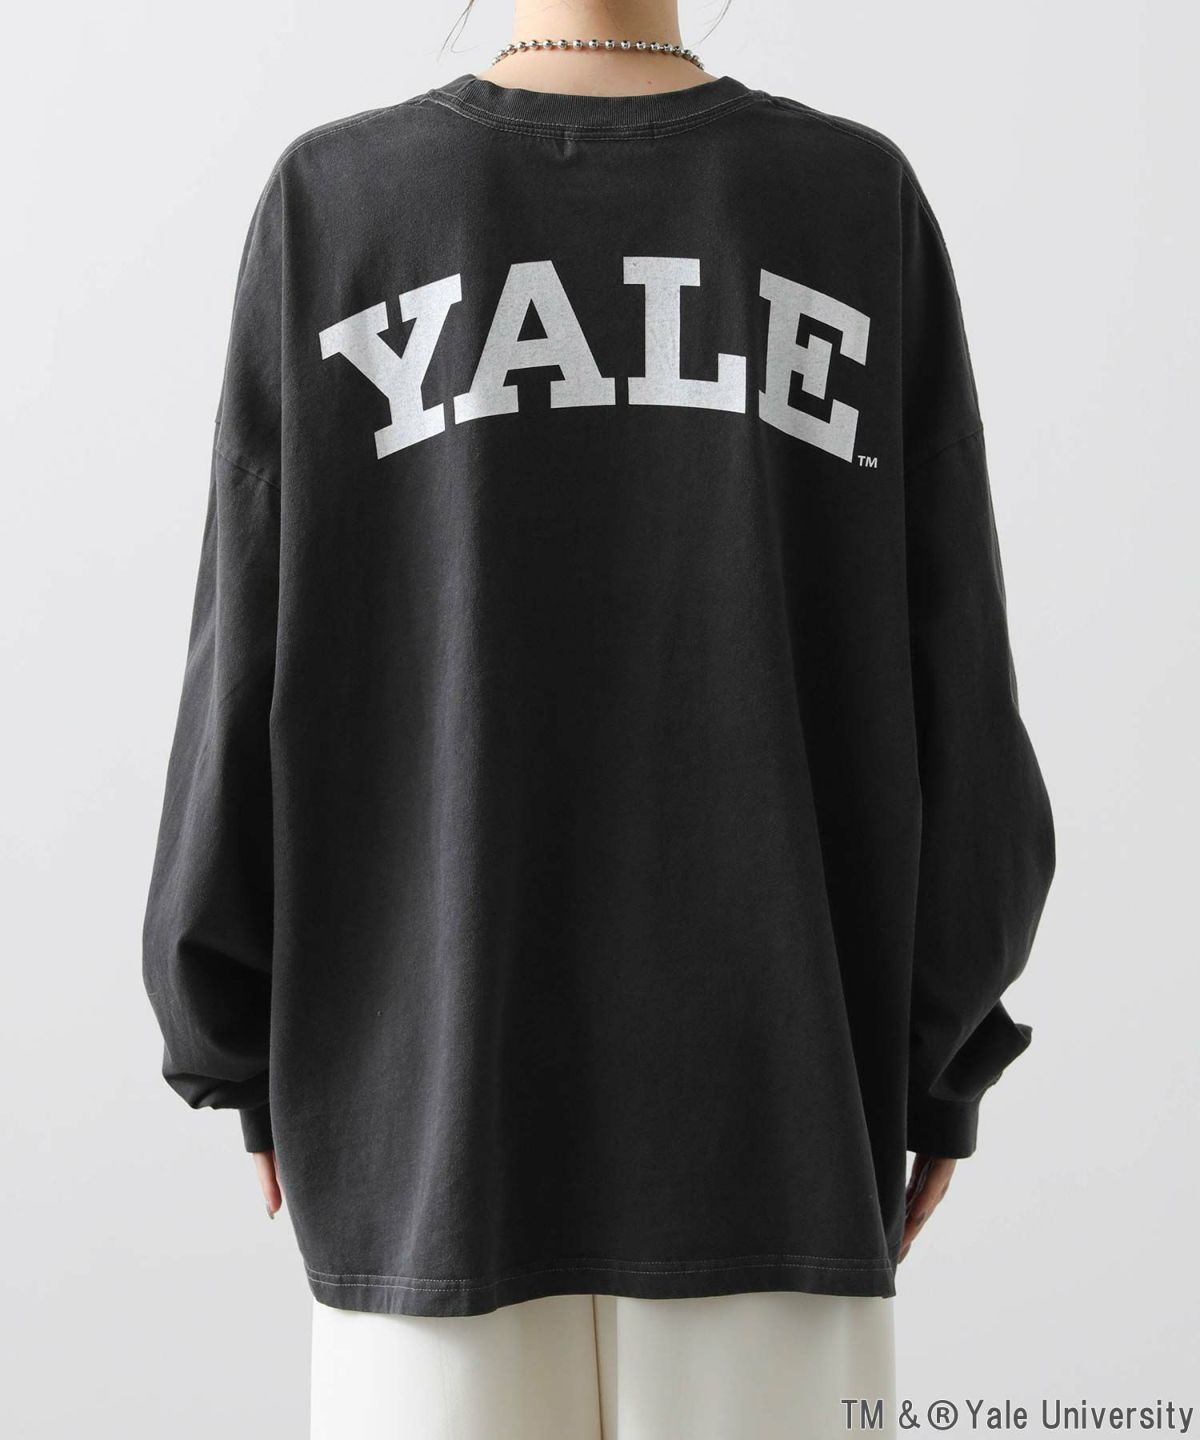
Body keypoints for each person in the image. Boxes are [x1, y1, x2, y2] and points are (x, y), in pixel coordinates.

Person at [141, 1, 1056, 1434]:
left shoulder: (342, 203)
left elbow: (240, 659)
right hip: (778, 1126)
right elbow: (961, 683)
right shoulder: (846, 198)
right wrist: (939, 1062)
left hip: (425, 1133)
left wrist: (238, 1046)